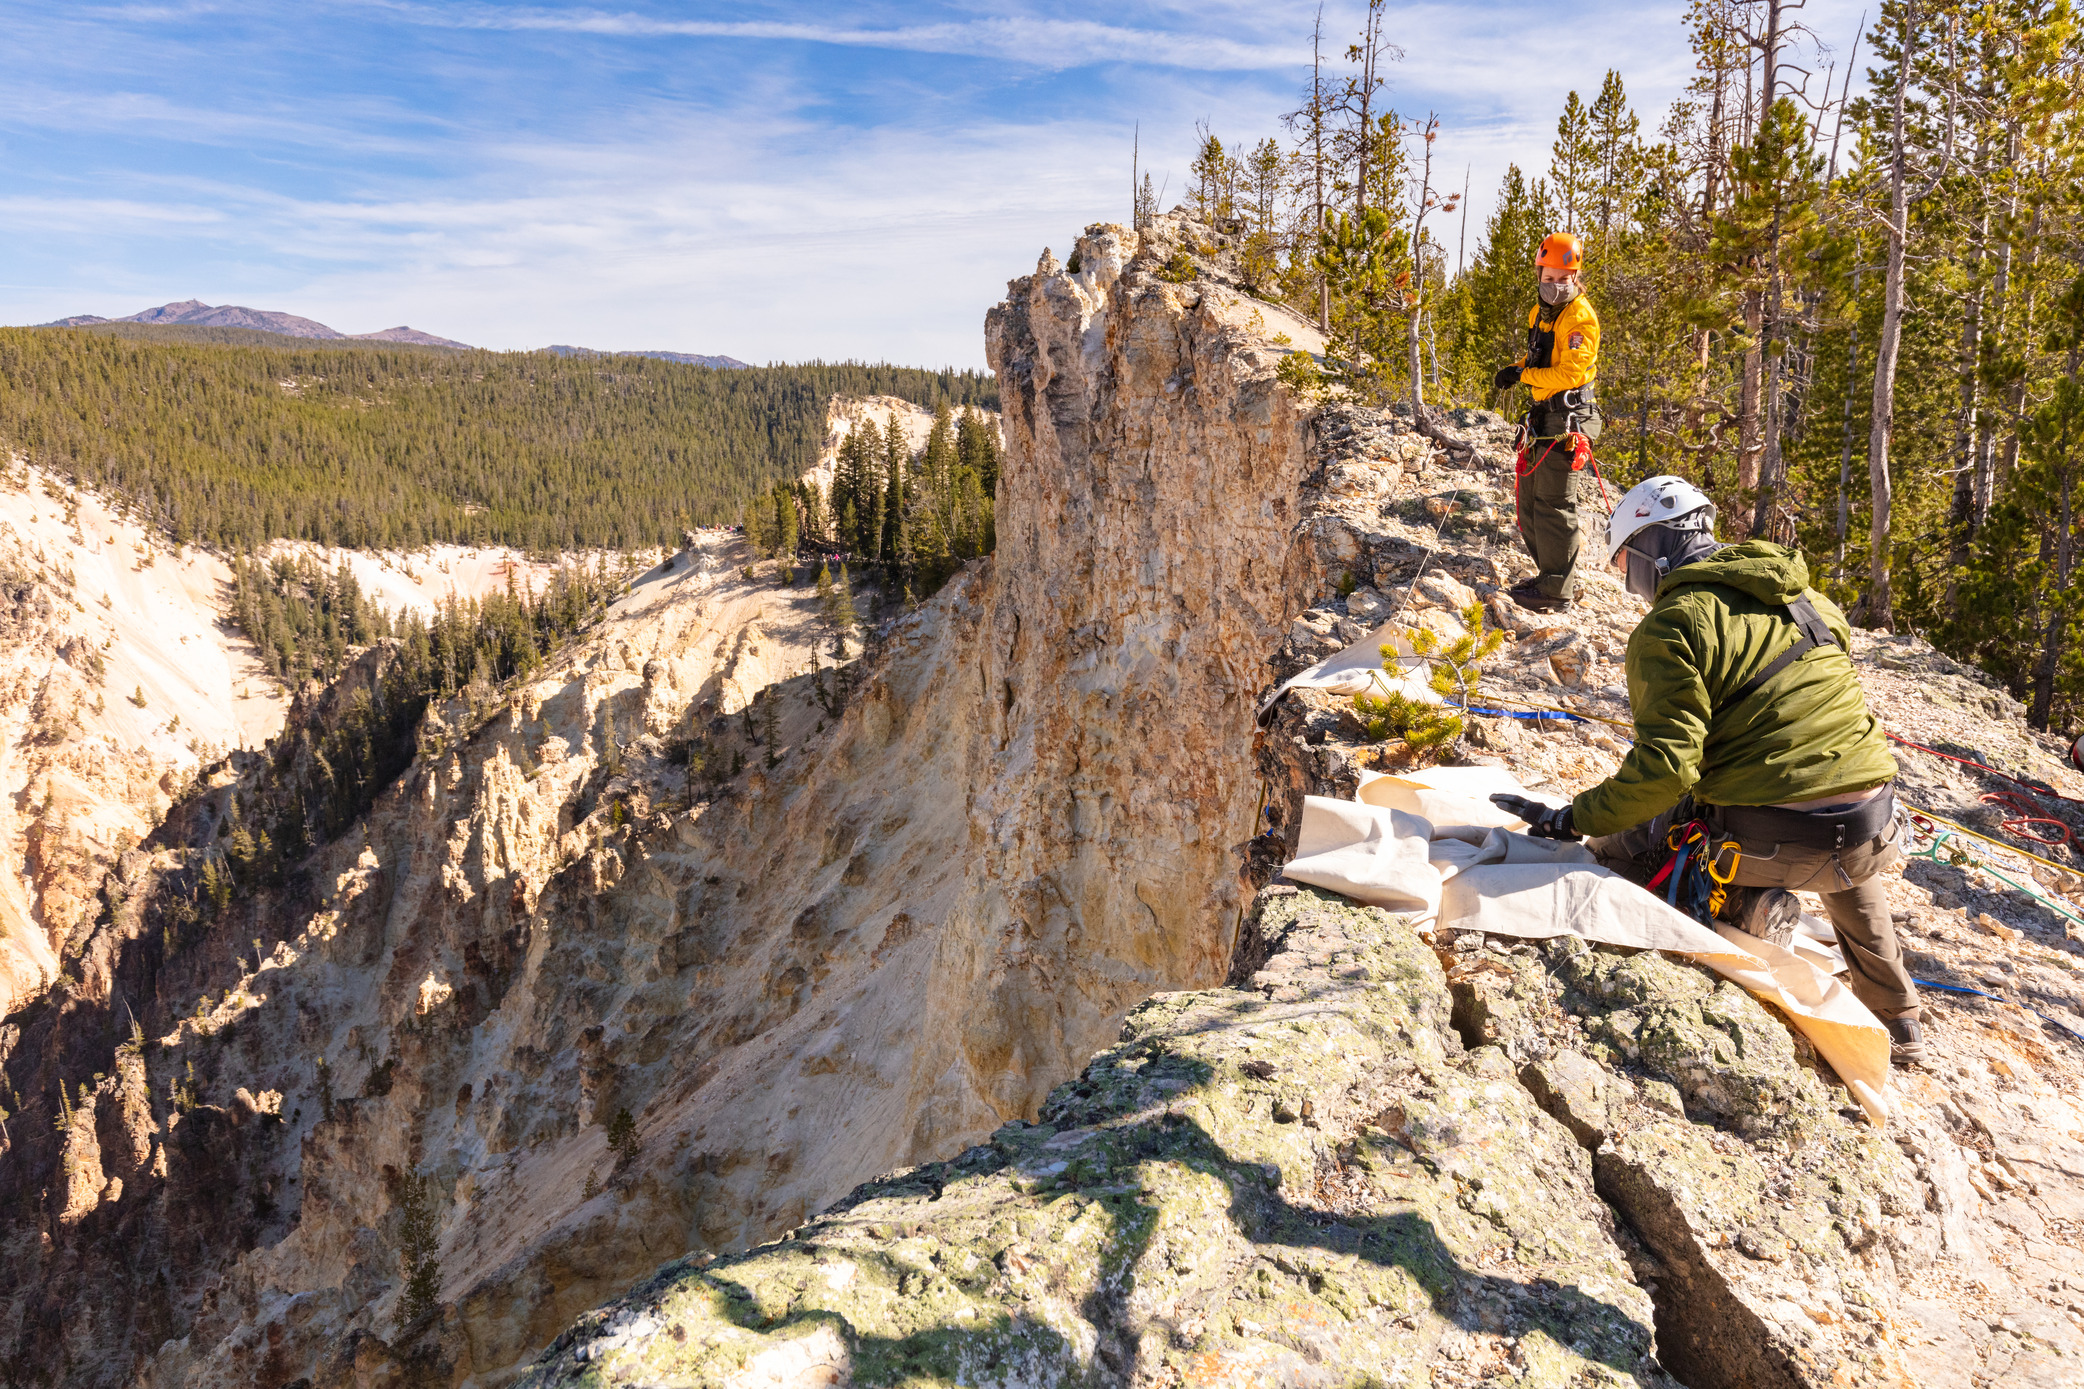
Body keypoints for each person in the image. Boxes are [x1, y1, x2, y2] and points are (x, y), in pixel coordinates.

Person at [1489, 476, 1928, 1067]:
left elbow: (1667, 770)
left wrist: (1575, 819)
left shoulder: (1672, 624)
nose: (1629, 583)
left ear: (1652, 552)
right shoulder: (1808, 601)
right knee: (1837, 821)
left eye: (1624, 565)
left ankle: (1741, 910)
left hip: (1774, 844)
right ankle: (1898, 1019)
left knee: (1635, 842)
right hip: (1874, 830)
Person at [1493, 232, 1601, 614]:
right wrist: (1516, 368)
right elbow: (1539, 357)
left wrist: (1523, 377)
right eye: (1549, 277)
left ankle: (1557, 592)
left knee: (1554, 504)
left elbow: (1569, 374)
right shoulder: (1540, 313)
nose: (1555, 285)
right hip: (1545, 414)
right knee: (1528, 501)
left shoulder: (1579, 319)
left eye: (1563, 278)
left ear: (1575, 277)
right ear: (1539, 274)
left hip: (1570, 417)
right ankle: (1548, 577)